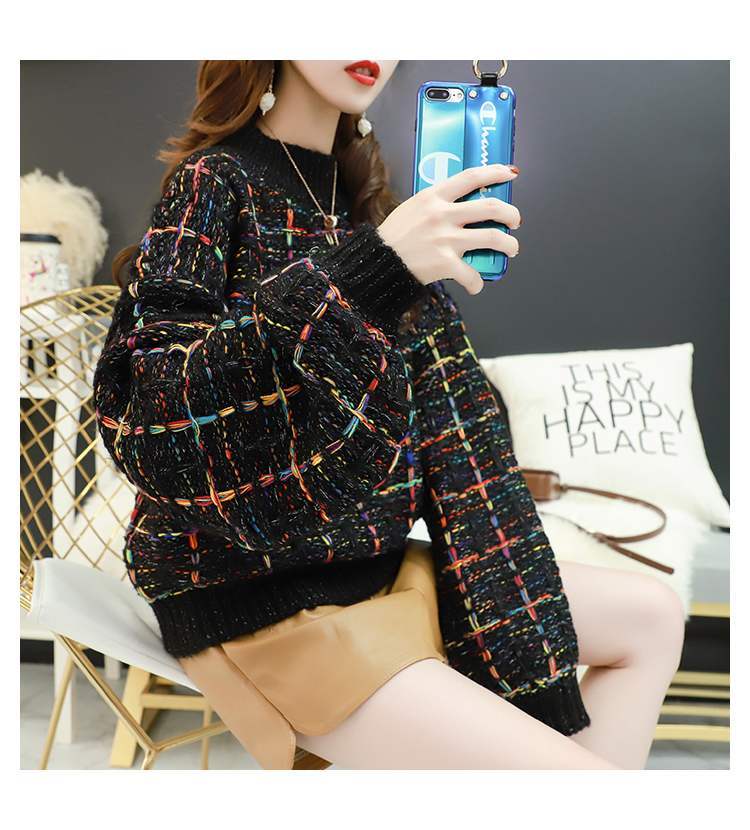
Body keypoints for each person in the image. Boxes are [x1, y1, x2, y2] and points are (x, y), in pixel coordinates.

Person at [94, 60, 685, 770]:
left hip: (370, 570)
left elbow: (444, 433)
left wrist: (403, 293)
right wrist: (372, 271)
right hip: (258, 595)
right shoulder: (213, 182)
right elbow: (153, 420)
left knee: (653, 616)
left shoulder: (362, 204)